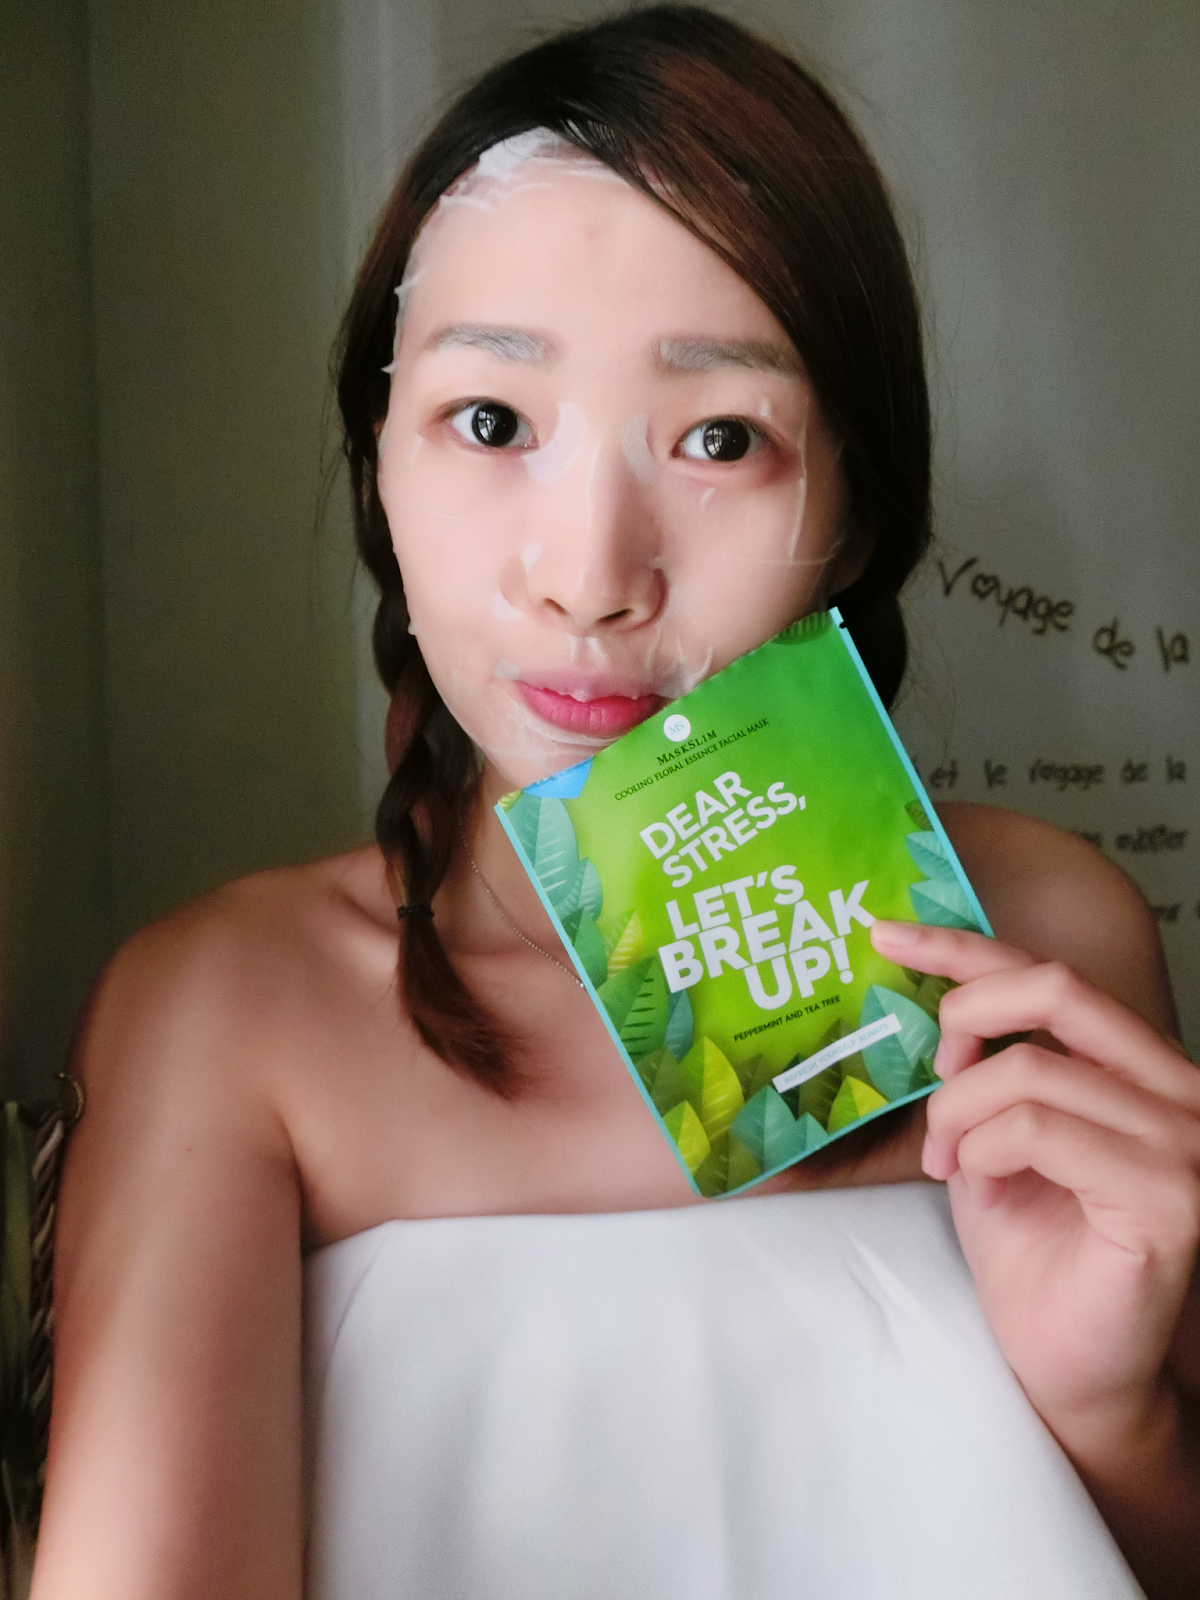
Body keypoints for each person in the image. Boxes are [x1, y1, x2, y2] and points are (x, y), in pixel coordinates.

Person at [30, 8, 1199, 1598]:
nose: (589, 577)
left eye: (719, 438)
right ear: (380, 463)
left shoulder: (1046, 942)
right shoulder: (231, 1012)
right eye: (491, 422)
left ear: (862, 505)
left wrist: (1111, 1411)